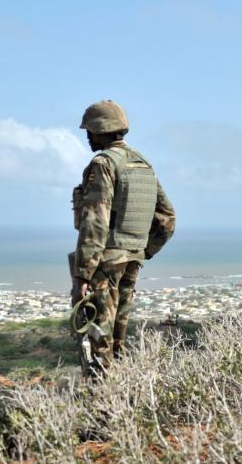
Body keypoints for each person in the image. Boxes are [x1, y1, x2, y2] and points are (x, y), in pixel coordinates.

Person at [69, 100, 176, 374]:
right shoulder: (143, 164)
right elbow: (167, 218)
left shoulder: (103, 164)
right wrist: (143, 250)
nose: (87, 137)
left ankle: (102, 393)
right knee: (119, 338)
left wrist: (83, 275)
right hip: (132, 259)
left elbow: (95, 221)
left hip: (105, 262)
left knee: (98, 337)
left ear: (100, 130)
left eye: (90, 131)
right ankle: (122, 388)